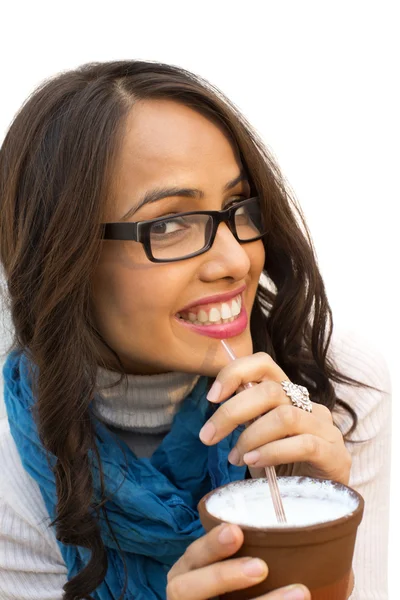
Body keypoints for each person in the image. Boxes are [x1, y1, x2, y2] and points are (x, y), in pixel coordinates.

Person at [0, 60, 391, 600]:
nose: (235, 259)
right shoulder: (11, 466)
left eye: (237, 206)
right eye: (169, 224)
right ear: (64, 258)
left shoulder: (338, 388)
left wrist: (322, 530)